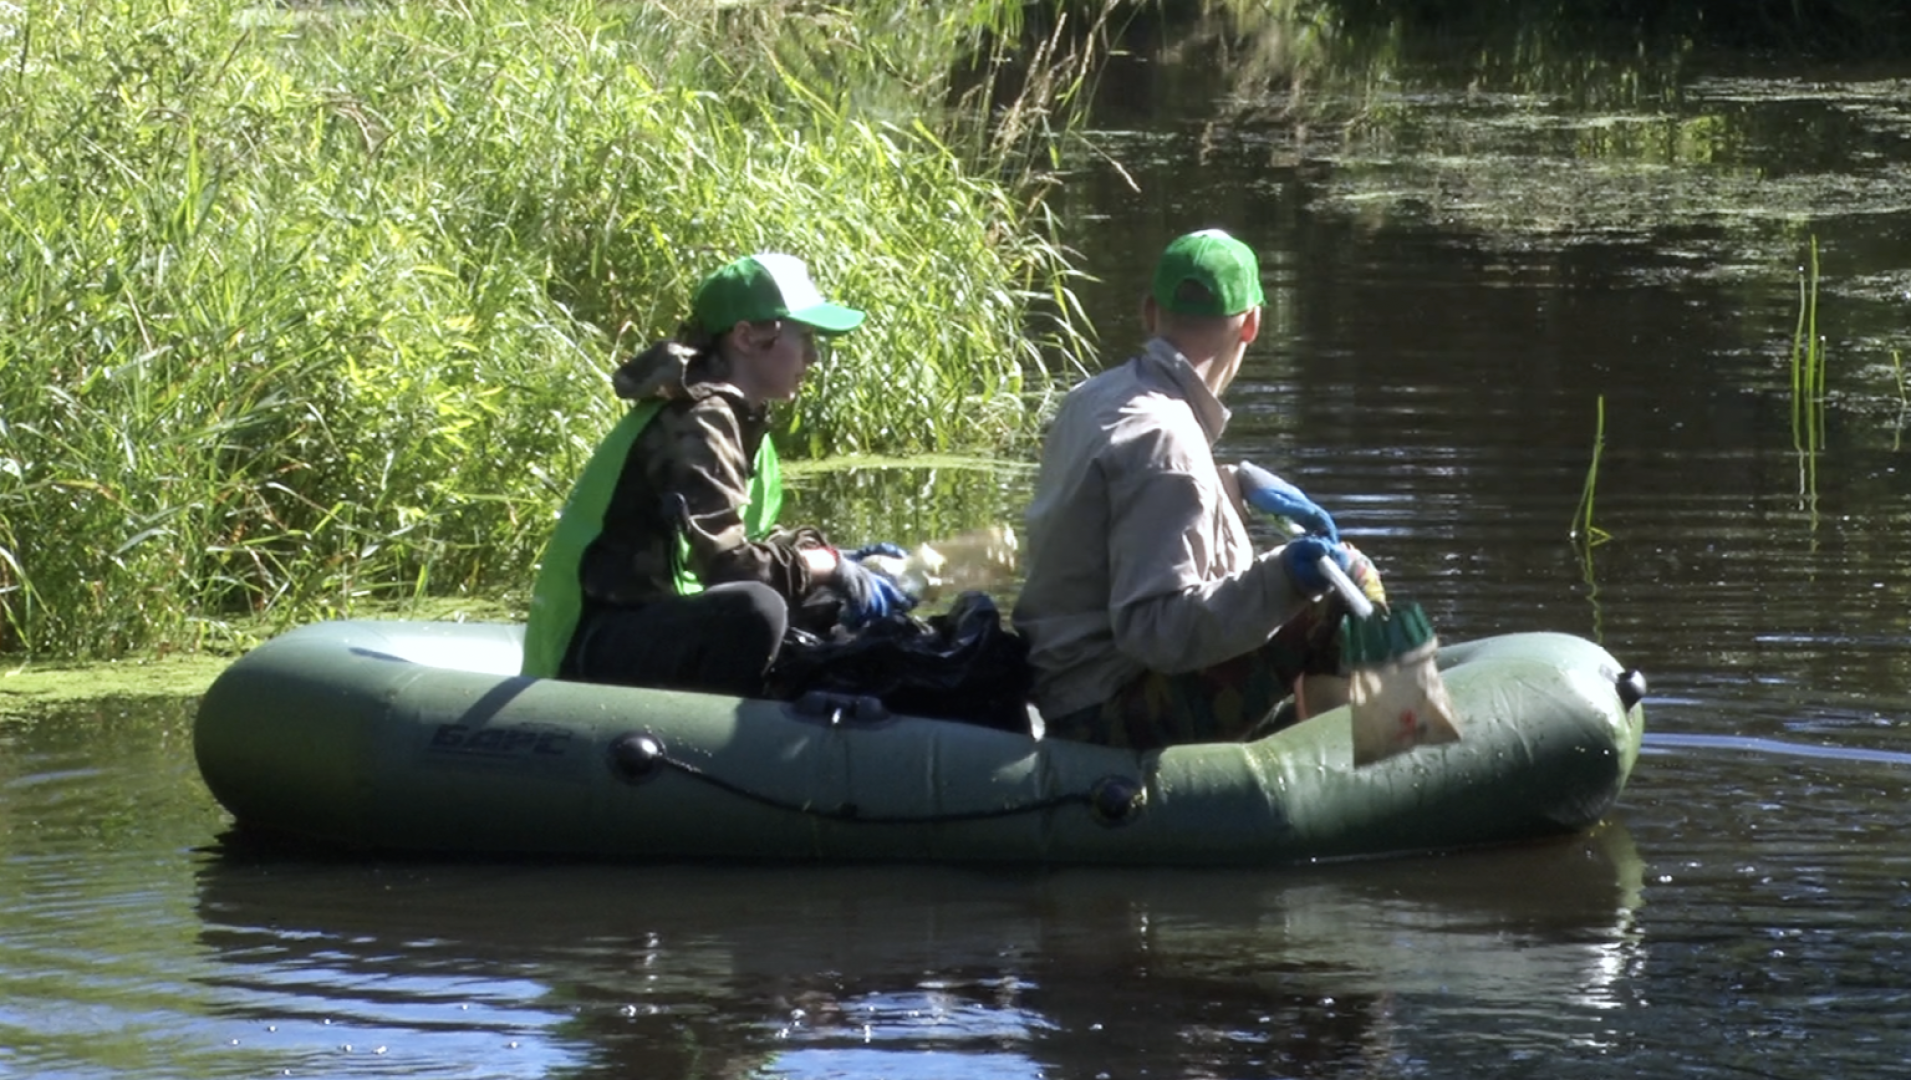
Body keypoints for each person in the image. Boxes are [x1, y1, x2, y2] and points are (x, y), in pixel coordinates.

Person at [1012, 229, 1376, 751]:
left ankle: (1343, 738)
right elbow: (1155, 632)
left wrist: (1230, 483)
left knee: (1326, 580)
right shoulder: (1168, 442)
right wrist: (1284, 578)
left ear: (1148, 312)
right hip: (1101, 713)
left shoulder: (1094, 398)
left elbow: (1126, 521)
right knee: (1351, 582)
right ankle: (1386, 765)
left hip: (1057, 682)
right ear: (1252, 324)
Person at [521, 252, 912, 695]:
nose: (814, 356)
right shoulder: (701, 419)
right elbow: (730, 568)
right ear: (746, 337)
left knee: (826, 601)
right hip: (590, 649)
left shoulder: (743, 420)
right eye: (804, 337)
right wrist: (826, 564)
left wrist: (840, 559)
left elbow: (747, 541)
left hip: (655, 622)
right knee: (755, 610)